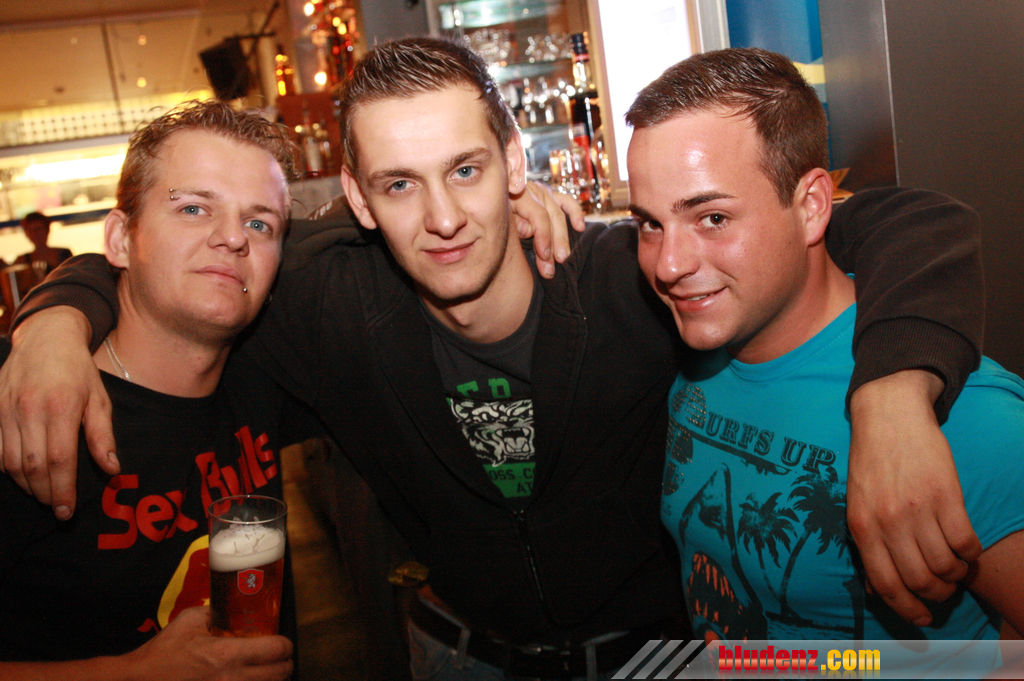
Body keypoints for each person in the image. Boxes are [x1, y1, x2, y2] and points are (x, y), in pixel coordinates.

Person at [0, 38, 986, 680]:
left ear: (516, 166)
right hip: (455, 656)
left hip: (659, 657)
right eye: (399, 184)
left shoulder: (636, 276)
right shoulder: (322, 306)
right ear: (355, 198)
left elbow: (908, 219)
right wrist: (54, 322)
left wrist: (890, 395)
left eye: (465, 170)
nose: (441, 217)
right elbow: (179, 269)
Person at [628, 47, 1023, 660]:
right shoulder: (696, 355)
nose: (669, 264)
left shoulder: (967, 419)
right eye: (650, 224)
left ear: (812, 205)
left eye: (712, 217)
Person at [0, 101, 303, 679]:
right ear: (120, 239)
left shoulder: (269, 374)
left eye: (259, 223)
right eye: (193, 208)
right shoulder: (24, 397)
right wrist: (129, 674)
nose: (232, 238)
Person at [17, 212, 72, 276]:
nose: (35, 233)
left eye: (39, 229)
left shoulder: (65, 254)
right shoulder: (22, 260)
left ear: (47, 230)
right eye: (31, 230)